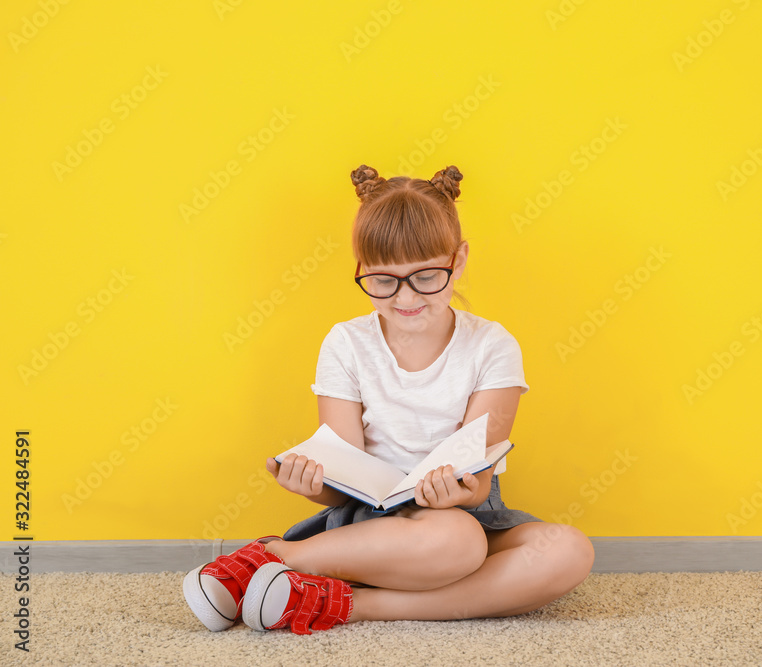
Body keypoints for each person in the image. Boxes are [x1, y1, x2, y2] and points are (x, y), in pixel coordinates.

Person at [183, 164, 594, 635]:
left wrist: (457, 492)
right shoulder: (346, 343)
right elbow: (341, 478)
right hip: (371, 523)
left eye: (426, 276)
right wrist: (311, 481)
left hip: (467, 516)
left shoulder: (493, 346)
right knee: (457, 543)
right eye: (383, 281)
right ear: (362, 271)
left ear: (457, 261)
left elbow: (477, 485)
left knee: (568, 551)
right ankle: (273, 556)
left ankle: (345, 603)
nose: (405, 297)